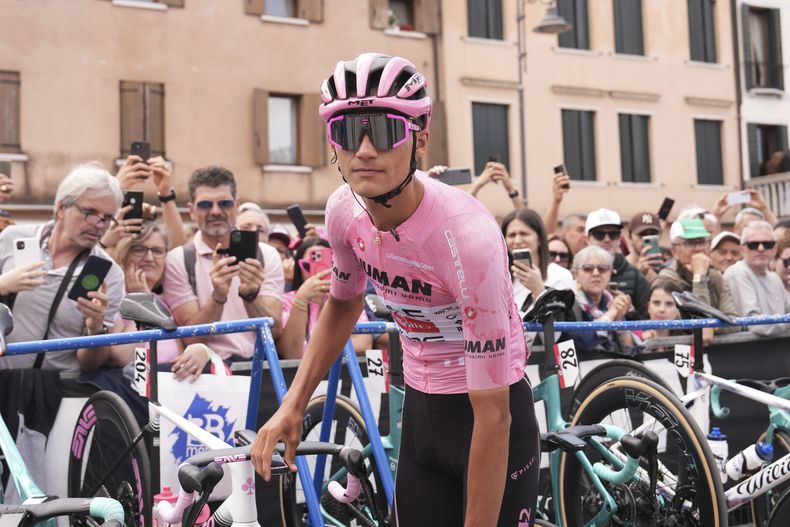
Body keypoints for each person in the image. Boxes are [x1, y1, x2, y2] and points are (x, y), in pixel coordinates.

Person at [251, 53, 539, 527]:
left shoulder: (466, 236)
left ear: (420, 138)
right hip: (419, 415)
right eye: (347, 130)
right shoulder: (343, 211)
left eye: (384, 131)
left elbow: (493, 415)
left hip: (487, 418)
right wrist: (293, 404)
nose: (364, 149)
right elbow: (343, 304)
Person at [0, 163, 129, 372]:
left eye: (107, 218)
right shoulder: (12, 238)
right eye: (90, 212)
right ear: (61, 208)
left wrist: (95, 328)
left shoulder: (110, 274)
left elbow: (90, 364)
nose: (99, 224)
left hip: (57, 393)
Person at [162, 166, 285, 364]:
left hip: (259, 365)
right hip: (208, 371)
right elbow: (191, 337)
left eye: (224, 203)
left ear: (236, 206)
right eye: (205, 205)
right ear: (191, 211)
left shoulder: (266, 254)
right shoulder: (178, 260)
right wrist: (218, 296)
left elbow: (275, 331)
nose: (216, 211)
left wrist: (250, 296)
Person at [276, 238, 372, 359]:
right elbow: (291, 353)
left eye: (329, 263)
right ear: (298, 268)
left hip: (343, 374)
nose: (319, 270)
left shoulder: (347, 298)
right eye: (307, 265)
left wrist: (312, 353)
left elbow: (363, 344)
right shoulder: (286, 300)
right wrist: (300, 300)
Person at [658, 218, 738, 343]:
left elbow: (734, 322)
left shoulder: (715, 277)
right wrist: (699, 277)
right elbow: (691, 327)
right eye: (690, 243)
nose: (698, 249)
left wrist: (713, 327)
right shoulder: (666, 280)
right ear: (674, 251)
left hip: (717, 354)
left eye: (701, 242)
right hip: (679, 352)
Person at [501, 207, 573, 319]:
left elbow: (555, 333)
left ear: (539, 239)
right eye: (512, 235)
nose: (517, 241)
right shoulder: (500, 277)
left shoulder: (560, 275)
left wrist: (538, 290)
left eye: (524, 234)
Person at [724, 220, 790, 336]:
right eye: (753, 244)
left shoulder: (774, 278)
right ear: (742, 249)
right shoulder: (738, 273)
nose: (761, 248)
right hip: (748, 351)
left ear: (774, 249)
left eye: (767, 244)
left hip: (776, 349)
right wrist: (785, 324)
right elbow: (755, 324)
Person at [566, 245, 634, 354]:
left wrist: (619, 321)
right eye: (588, 268)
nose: (596, 273)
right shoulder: (568, 304)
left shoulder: (610, 301)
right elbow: (584, 343)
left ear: (610, 273)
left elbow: (629, 350)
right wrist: (610, 314)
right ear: (576, 274)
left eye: (602, 269)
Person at [585, 208, 650, 318]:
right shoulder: (578, 272)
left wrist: (630, 311)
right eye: (599, 234)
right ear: (588, 239)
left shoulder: (635, 276)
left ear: (619, 239)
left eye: (613, 234)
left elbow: (647, 322)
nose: (607, 239)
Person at [625, 211, 664, 282]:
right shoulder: (621, 267)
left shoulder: (666, 267)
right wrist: (638, 275)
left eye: (653, 234)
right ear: (629, 237)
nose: (647, 239)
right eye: (642, 234)